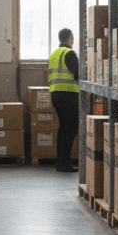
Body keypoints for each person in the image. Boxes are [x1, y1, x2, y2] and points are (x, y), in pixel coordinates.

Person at [48, 27, 80, 173]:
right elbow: (78, 74)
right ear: (69, 38)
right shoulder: (70, 53)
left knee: (64, 128)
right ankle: (64, 163)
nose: (73, 40)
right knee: (72, 127)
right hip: (68, 94)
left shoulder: (54, 54)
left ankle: (61, 161)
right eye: (72, 37)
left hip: (56, 95)